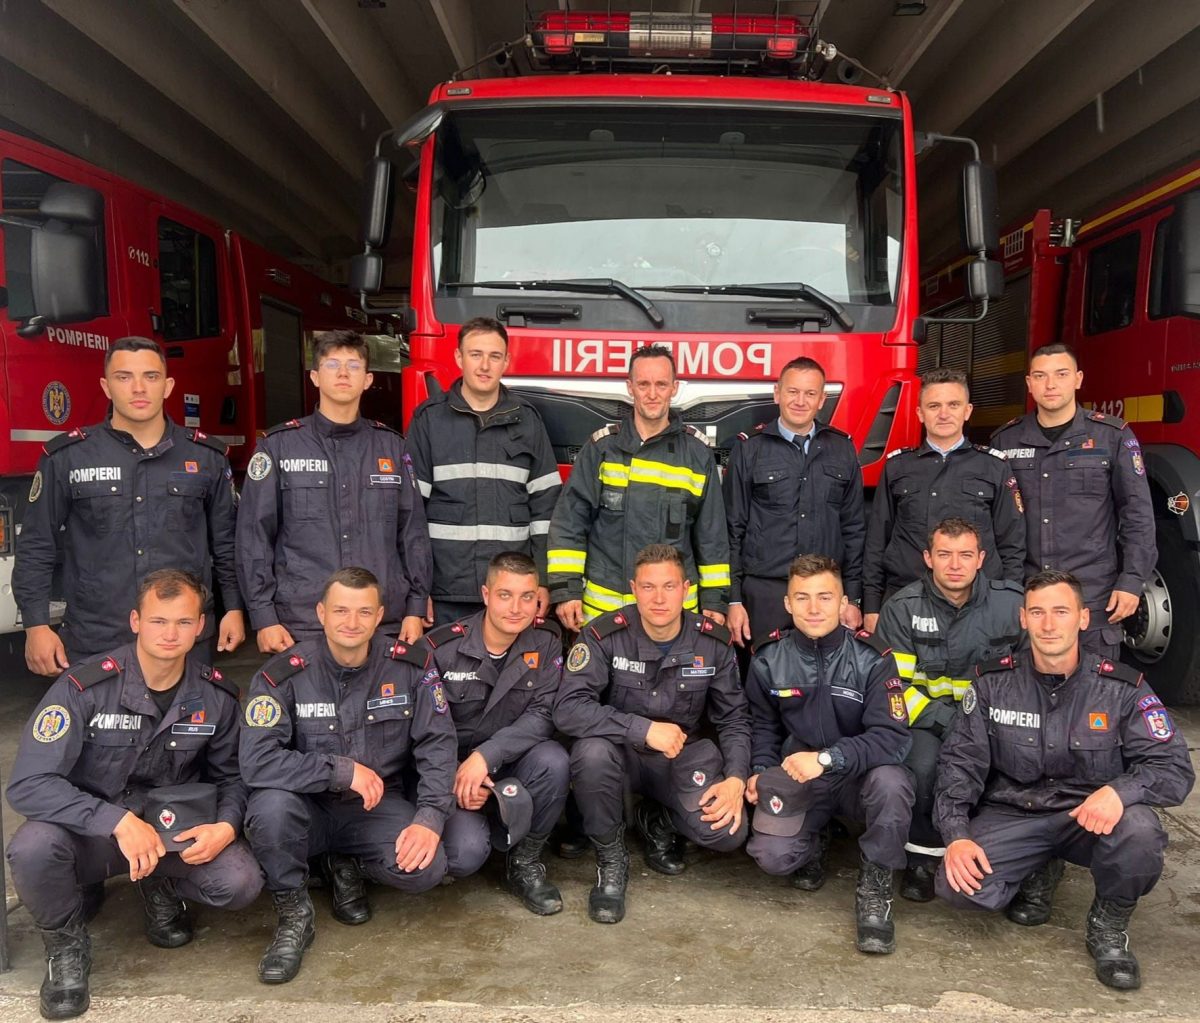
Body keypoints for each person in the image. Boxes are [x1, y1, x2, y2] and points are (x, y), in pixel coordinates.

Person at [6, 569, 262, 1020]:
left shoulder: (215, 695)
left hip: (169, 832)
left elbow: (233, 778)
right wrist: (116, 821)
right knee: (33, 848)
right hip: (95, 833)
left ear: (200, 626)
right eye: (159, 620)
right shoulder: (84, 688)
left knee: (239, 881)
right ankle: (65, 947)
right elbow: (29, 783)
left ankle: (158, 884)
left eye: (183, 622)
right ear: (136, 621)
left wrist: (226, 825)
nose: (171, 633)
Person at [934, 570, 1194, 990]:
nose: (1049, 624)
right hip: (1016, 811)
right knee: (957, 886)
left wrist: (1118, 792)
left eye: (1061, 611)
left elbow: (1174, 767)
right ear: (1023, 618)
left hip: (1086, 817)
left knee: (1140, 832)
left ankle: (1109, 923)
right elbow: (959, 764)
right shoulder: (992, 683)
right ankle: (1040, 866)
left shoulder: (1122, 688)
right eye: (1037, 612)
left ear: (1083, 618)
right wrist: (957, 835)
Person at [239, 567, 458, 984]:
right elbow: (256, 760)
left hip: (375, 807)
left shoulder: (410, 666)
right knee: (270, 809)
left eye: (364, 612)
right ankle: (293, 914)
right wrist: (340, 771)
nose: (352, 622)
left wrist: (430, 817)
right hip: (307, 809)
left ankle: (348, 864)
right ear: (321, 613)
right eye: (340, 610)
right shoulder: (283, 674)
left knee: (428, 867)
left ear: (379, 617)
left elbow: (438, 744)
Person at [14, 335, 244, 673]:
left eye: (150, 376)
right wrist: (36, 625)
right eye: (124, 377)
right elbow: (37, 544)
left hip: (182, 637)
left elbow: (227, 544)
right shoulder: (68, 457)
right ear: (106, 387)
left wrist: (234, 609)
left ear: (167, 386)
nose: (138, 388)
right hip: (96, 636)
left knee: (189, 710)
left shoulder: (206, 457)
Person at [553, 544, 750, 924]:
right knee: (591, 753)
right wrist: (641, 729)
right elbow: (568, 708)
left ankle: (658, 818)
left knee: (728, 832)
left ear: (686, 589)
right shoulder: (604, 635)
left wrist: (736, 779)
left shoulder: (713, 642)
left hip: (677, 759)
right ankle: (611, 860)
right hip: (618, 757)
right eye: (648, 587)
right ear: (633, 589)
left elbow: (734, 719)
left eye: (669, 586)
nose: (659, 598)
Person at [744, 554, 913, 955]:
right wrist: (760, 770)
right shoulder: (768, 656)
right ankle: (814, 837)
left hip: (859, 777)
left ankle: (875, 886)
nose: (814, 608)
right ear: (788, 603)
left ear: (843, 603)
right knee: (772, 857)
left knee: (893, 784)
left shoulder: (873, 657)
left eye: (825, 597)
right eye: (802, 598)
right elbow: (762, 726)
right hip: (800, 776)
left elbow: (892, 737)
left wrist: (827, 759)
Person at [236, 330, 431, 652]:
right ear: (314, 377)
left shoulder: (392, 447)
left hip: (382, 619)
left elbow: (413, 533)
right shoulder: (279, 447)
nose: (343, 373)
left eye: (353, 366)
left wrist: (415, 607)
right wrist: (263, 616)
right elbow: (254, 536)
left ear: (367, 380)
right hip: (300, 623)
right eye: (332, 365)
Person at [873, 517, 1024, 901]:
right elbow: (895, 691)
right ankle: (923, 858)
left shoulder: (1013, 605)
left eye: (965, 555)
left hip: (997, 723)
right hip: (927, 720)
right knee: (924, 767)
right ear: (928, 558)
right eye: (944, 555)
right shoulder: (901, 609)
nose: (955, 565)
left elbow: (1030, 680)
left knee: (1021, 765)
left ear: (981, 559)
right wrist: (950, 721)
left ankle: (1019, 859)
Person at [425, 551, 569, 915]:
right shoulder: (441, 649)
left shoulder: (547, 642)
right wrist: (455, 776)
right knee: (465, 854)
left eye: (527, 597)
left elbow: (543, 714)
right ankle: (485, 829)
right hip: (452, 772)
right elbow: (426, 731)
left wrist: (485, 757)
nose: (516, 608)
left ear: (538, 600)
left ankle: (524, 861)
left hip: (507, 763)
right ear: (486, 595)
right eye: (505, 595)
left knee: (554, 760)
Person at [547, 345, 730, 629]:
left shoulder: (697, 454)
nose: (652, 394)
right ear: (630, 387)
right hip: (605, 614)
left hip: (673, 617)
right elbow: (570, 523)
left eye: (661, 384)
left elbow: (712, 536)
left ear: (674, 388)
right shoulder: (602, 449)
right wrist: (566, 590)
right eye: (644, 384)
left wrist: (715, 600)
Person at [991, 343, 1156, 658]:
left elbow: (1137, 514)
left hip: (1093, 598)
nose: (1050, 384)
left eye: (1061, 374)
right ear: (1029, 384)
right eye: (1040, 376)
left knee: (1096, 687)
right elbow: (995, 522)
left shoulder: (1112, 436)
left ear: (1078, 379)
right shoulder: (1005, 440)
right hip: (1027, 597)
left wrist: (1132, 580)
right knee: (1024, 686)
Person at [406, 318, 561, 625]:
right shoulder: (429, 420)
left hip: (511, 592)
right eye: (475, 354)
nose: (485, 365)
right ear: (459, 357)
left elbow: (547, 509)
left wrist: (543, 579)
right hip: (446, 591)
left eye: (494, 356)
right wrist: (418, 592)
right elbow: (410, 514)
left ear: (506, 361)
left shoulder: (527, 420)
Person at [862, 367, 1024, 633]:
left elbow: (1012, 543)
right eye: (934, 406)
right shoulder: (897, 466)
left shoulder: (994, 466)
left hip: (979, 604)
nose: (944, 414)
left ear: (967, 411)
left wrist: (1011, 600)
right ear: (920, 413)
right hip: (906, 600)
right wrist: (871, 605)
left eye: (953, 405)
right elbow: (877, 540)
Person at [724, 356, 866, 647]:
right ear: (777, 393)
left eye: (810, 393)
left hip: (826, 593)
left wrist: (852, 598)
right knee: (762, 670)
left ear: (822, 399)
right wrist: (733, 600)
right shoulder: (749, 448)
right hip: (765, 594)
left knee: (825, 672)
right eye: (792, 391)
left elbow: (854, 529)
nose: (800, 401)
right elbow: (731, 528)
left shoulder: (842, 448)